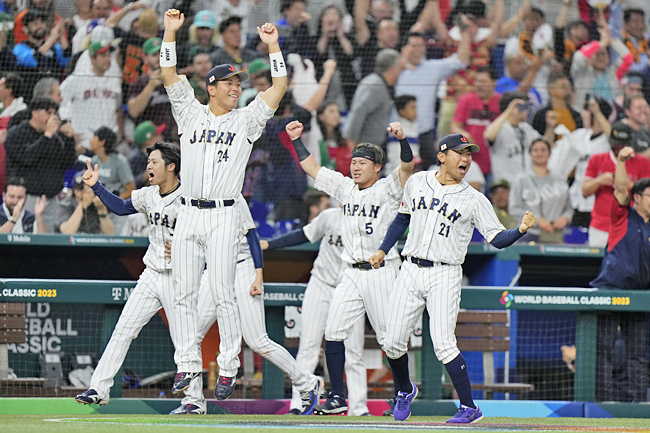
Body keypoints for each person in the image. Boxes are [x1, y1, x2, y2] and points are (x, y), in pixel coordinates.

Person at [159, 9, 293, 400]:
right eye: (230, 83)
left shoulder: (246, 121)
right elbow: (169, 75)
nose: (236, 88)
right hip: (187, 212)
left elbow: (279, 86)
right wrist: (170, 33)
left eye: (239, 83)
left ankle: (229, 365)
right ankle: (187, 365)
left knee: (221, 290)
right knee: (182, 292)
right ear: (211, 87)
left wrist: (273, 48)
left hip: (223, 212)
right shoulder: (189, 111)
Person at [368, 133, 536, 422]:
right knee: (392, 341)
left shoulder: (474, 199)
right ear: (442, 155)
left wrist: (519, 231)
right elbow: (402, 217)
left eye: (469, 154)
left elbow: (496, 238)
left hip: (445, 273)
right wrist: (384, 249)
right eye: (460, 153)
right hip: (410, 268)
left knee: (444, 343)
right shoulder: (419, 181)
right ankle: (405, 390)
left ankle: (470, 407)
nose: (466, 159)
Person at [285, 119, 414, 415]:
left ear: (377, 167)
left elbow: (406, 167)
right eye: (353, 162)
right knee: (333, 332)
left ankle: (404, 390)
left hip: (381, 272)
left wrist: (402, 140)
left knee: (390, 341)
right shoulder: (345, 188)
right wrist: (296, 141)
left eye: (363, 163)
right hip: (351, 272)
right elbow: (313, 169)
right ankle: (338, 397)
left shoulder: (386, 189)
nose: (356, 167)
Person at [168, 195, 325, 415]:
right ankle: (193, 401)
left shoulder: (231, 194)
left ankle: (307, 382)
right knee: (190, 336)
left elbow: (252, 235)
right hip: (213, 268)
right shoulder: (192, 197)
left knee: (257, 341)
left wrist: (258, 276)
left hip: (243, 267)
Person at [73, 143, 195, 410]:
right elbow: (120, 207)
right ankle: (99, 388)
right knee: (123, 330)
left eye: (154, 162)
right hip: (151, 274)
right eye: (149, 161)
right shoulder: (148, 195)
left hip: (180, 276)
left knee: (184, 340)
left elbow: (208, 234)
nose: (148, 166)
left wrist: (187, 248)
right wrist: (97, 186)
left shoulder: (191, 196)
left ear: (171, 166)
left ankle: (194, 401)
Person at [261, 204, 370, 416]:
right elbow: (303, 235)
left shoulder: (369, 221)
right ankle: (299, 403)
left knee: (354, 350)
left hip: (351, 286)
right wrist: (271, 244)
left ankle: (359, 408)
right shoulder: (329, 217)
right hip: (321, 284)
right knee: (308, 346)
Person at [591, 146, 650, 402]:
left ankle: (637, 404)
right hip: (610, 290)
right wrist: (623, 161)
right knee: (602, 351)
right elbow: (619, 188)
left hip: (639, 296)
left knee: (637, 354)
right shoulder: (622, 215)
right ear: (636, 198)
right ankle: (602, 401)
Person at [395, 28, 470, 166]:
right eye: (413, 46)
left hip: (424, 135)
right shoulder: (395, 70)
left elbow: (461, 61)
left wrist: (465, 33)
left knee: (432, 171)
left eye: (421, 45)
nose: (418, 49)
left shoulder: (432, 68)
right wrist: (401, 62)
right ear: (405, 48)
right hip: (398, 133)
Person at [4, 97, 77, 233]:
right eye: (49, 113)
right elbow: (27, 158)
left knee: (49, 242)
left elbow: (67, 163)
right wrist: (47, 135)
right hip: (27, 198)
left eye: (55, 113)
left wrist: (69, 139)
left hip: (52, 199)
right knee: (24, 238)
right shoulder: (17, 133)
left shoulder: (56, 137)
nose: (53, 117)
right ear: (34, 113)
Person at [583, 121, 650, 247]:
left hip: (631, 225)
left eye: (623, 145)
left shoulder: (642, 162)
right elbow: (584, 191)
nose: (619, 148)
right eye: (616, 145)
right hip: (600, 226)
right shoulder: (597, 159)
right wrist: (599, 180)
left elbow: (647, 196)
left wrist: (626, 184)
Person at [59, 39, 123, 149]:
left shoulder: (114, 82)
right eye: (103, 56)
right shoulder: (76, 79)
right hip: (85, 144)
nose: (108, 59)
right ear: (92, 59)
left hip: (109, 145)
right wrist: (66, 123)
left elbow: (118, 109)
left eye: (109, 55)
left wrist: (119, 133)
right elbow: (59, 101)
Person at [509, 139, 573, 243]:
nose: (539, 153)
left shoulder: (560, 180)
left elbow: (569, 207)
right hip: (529, 235)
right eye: (535, 150)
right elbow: (514, 209)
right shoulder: (521, 180)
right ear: (530, 154)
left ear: (549, 153)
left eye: (543, 150)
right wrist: (537, 220)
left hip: (555, 235)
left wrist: (566, 217)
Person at [343, 49, 403, 150]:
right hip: (364, 148)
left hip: (373, 148)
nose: (401, 71)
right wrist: (354, 153)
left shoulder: (381, 84)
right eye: (399, 67)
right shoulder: (375, 86)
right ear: (393, 68)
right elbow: (357, 113)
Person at [484, 92, 549, 185]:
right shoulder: (500, 128)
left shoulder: (525, 128)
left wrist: (550, 127)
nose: (526, 111)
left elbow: (544, 144)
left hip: (526, 184)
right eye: (523, 107)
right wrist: (509, 110)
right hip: (505, 185)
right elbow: (489, 136)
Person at [451, 65, 501, 177]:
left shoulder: (501, 102)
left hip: (496, 162)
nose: (479, 85)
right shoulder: (465, 100)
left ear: (494, 82)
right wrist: (464, 135)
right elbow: (455, 126)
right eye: (477, 81)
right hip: (471, 163)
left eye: (483, 82)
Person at [127, 37, 175, 142]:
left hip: (174, 141)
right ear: (145, 58)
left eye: (161, 54)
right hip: (149, 141)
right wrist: (151, 86)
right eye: (154, 55)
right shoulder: (139, 83)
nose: (159, 58)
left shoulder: (176, 80)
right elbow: (134, 111)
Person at [129, 121, 166, 188]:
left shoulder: (166, 155)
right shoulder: (135, 160)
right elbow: (131, 184)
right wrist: (146, 175)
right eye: (157, 135)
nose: (162, 137)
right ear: (148, 141)